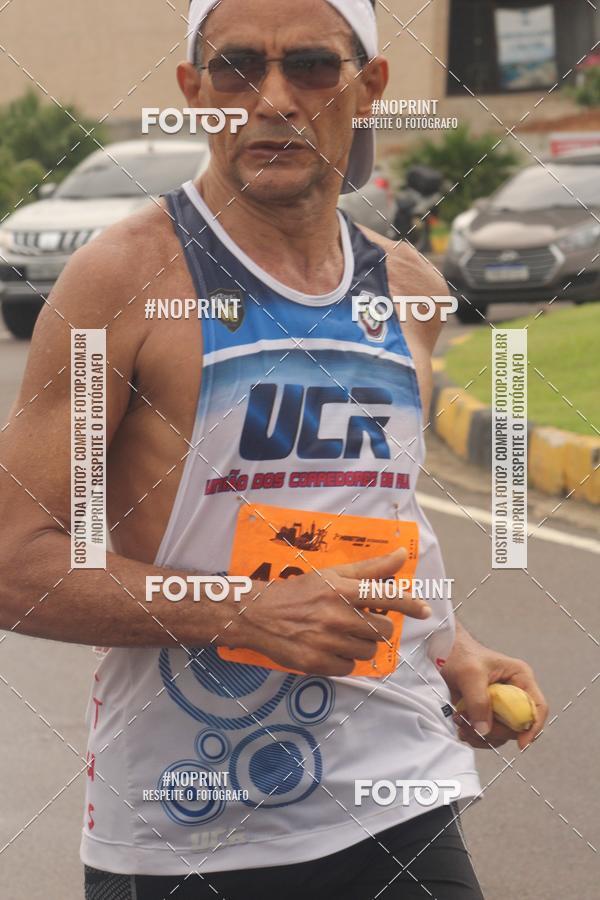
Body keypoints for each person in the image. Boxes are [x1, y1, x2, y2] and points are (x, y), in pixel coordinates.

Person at [0, 0, 548, 898]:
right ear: (193, 90)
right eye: (237, 67)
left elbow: (375, 508)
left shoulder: (408, 288)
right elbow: (12, 560)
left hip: (397, 787)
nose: (274, 99)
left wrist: (455, 649)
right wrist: (241, 612)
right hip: (188, 823)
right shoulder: (123, 281)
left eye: (313, 66)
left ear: (371, 87)